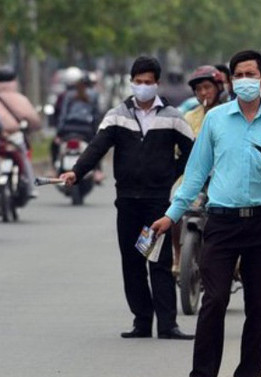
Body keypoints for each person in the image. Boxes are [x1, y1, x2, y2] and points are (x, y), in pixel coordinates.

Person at [152, 50, 261, 377]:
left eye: (251, 73)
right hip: (221, 221)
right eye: (238, 74)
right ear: (231, 80)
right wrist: (172, 214)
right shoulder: (216, 119)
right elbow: (196, 172)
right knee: (214, 299)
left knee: (259, 305)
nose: (244, 80)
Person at [59, 56, 195, 340]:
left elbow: (192, 154)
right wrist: (76, 172)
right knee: (132, 262)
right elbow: (97, 148)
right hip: (128, 202)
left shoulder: (172, 117)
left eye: (148, 82)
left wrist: (171, 175)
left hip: (157, 204)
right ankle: (142, 321)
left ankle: (168, 325)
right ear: (132, 82)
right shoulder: (117, 115)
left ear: (157, 84)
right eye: (138, 82)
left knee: (158, 261)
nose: (143, 87)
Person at [171, 65, 225, 275]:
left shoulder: (231, 113)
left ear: (219, 87)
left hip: (223, 179)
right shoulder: (190, 118)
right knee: (174, 202)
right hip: (194, 178)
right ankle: (177, 256)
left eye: (207, 87)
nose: (203, 93)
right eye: (199, 89)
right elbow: (177, 150)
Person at [0, 65, 41, 197]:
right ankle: (30, 187)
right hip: (14, 137)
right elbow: (35, 121)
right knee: (24, 157)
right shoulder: (20, 99)